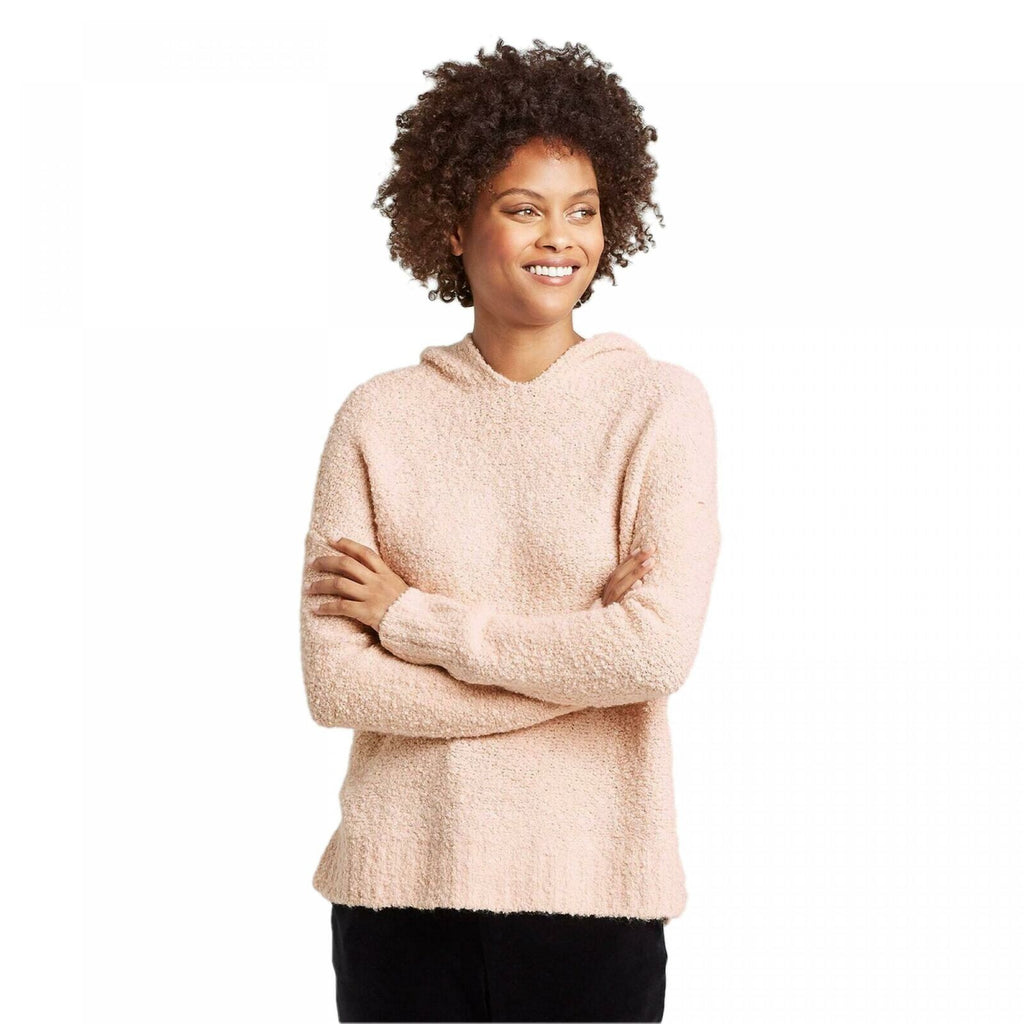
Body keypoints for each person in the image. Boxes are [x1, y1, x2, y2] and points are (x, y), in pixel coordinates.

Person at [300, 38, 722, 1023]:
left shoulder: (659, 407)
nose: (559, 238)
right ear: (453, 223)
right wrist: (576, 672)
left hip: (591, 895)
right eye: (524, 208)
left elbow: (653, 652)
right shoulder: (377, 417)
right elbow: (337, 685)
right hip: (397, 891)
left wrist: (414, 621)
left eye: (583, 210)